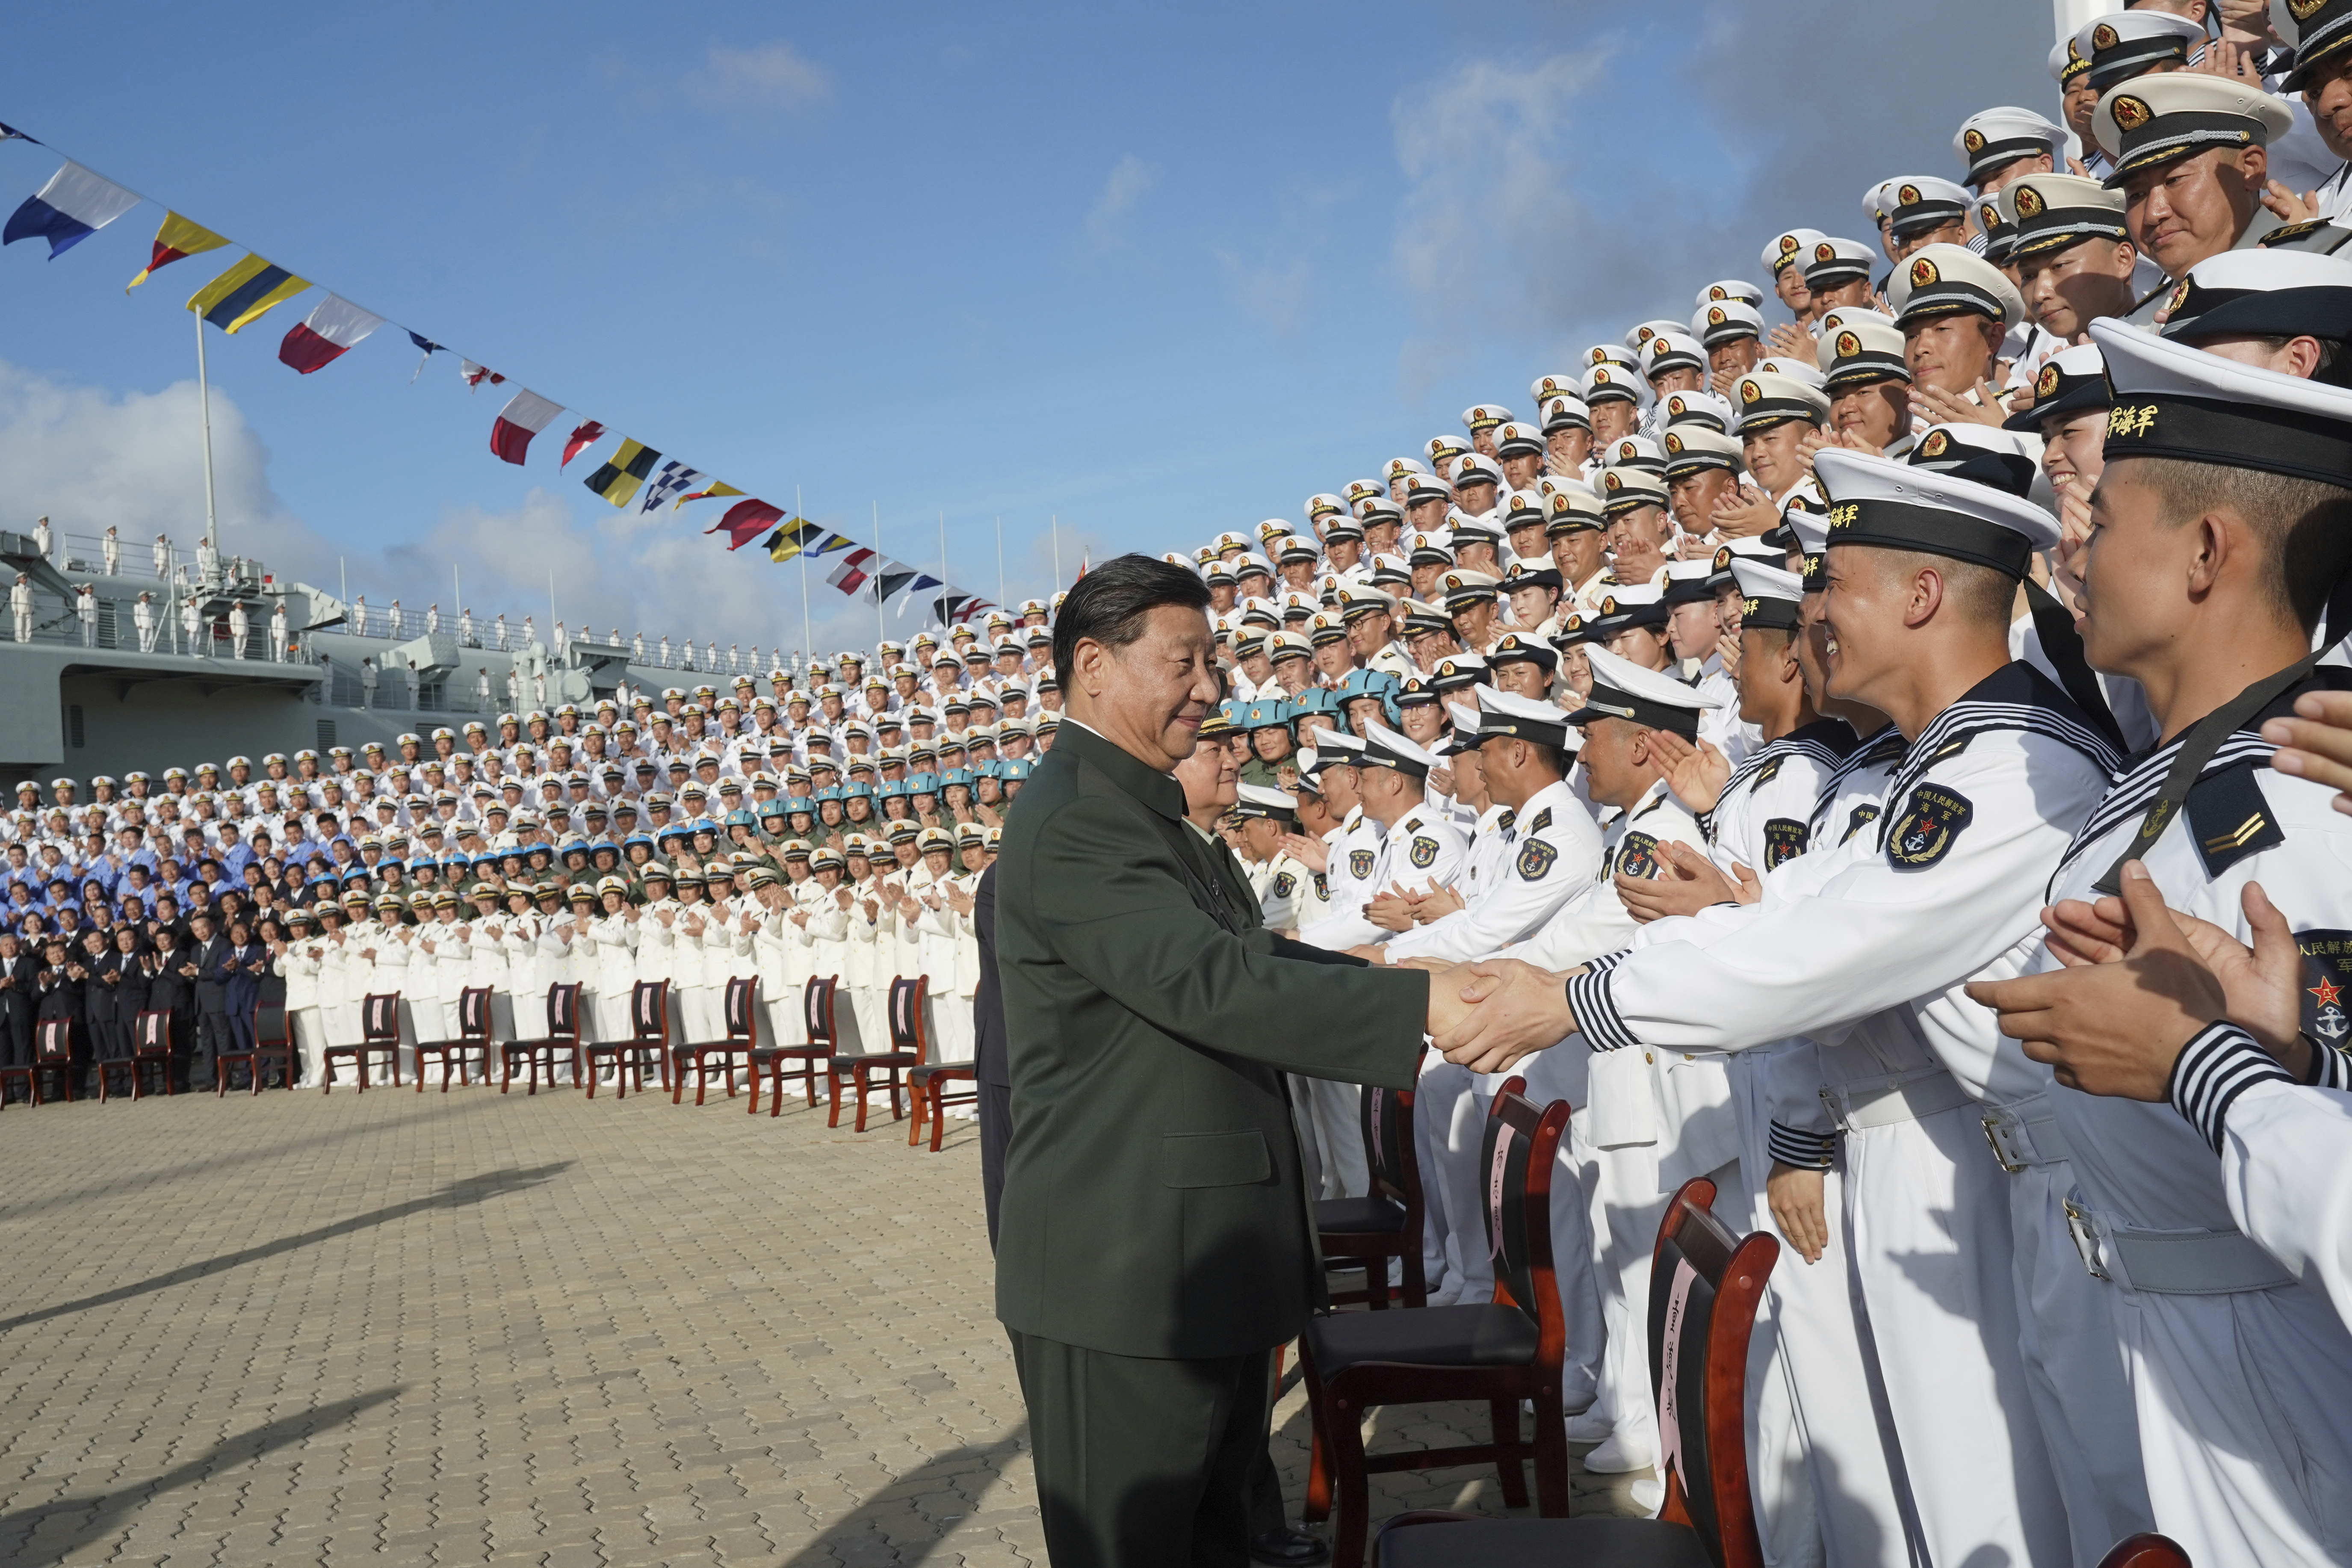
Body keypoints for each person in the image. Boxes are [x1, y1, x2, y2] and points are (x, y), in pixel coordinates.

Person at [993, 556, 1471, 1568]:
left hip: (1192, 1255)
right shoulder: (1080, 814)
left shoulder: (1139, 811)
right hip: (1126, 1273)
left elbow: (1247, 956)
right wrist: (1424, 1004)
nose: (1212, 687)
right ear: (1093, 664)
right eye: (1186, 661)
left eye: (1214, 660)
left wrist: (1401, 967)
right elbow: (1208, 985)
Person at [1965, 319, 2352, 1564]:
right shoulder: (2163, 787)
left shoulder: (2297, 802)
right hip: (2149, 1325)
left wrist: (2198, 1053)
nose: (2070, 545)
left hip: (2266, 1368)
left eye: (2106, 514)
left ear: (2204, 551)